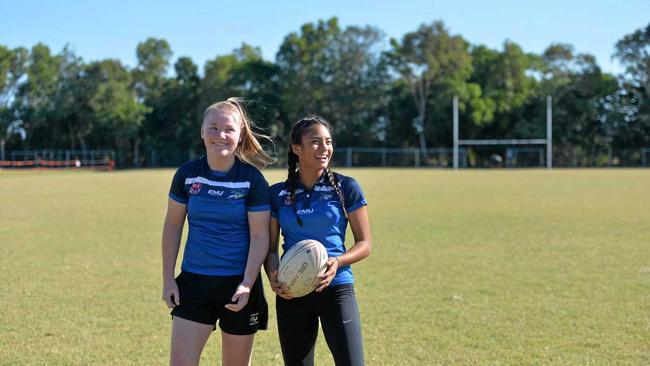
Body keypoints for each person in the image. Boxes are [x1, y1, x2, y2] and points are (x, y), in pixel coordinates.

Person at [161, 98, 275, 366]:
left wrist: (247, 282)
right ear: (201, 131)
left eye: (228, 129)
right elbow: (173, 226)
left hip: (238, 286)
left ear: (240, 134)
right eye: (212, 128)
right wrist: (168, 279)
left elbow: (260, 236)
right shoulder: (188, 174)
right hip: (194, 283)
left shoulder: (252, 179)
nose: (220, 135)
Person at [265, 116, 372, 366]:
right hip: (292, 290)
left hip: (336, 287)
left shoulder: (347, 187)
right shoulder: (277, 194)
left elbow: (365, 243)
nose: (324, 149)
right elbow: (270, 249)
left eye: (328, 142)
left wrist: (337, 261)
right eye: (315, 142)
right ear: (296, 148)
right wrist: (273, 274)